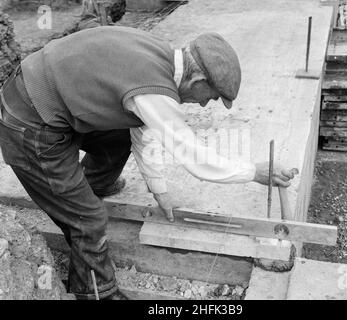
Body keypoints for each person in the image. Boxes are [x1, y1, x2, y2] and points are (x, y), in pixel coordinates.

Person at [0, 26, 297, 300]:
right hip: (30, 125)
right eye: (212, 97)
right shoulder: (155, 89)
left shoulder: (161, 57)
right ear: (198, 80)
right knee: (89, 220)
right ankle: (96, 293)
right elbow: (195, 158)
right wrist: (253, 172)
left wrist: (159, 190)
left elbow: (143, 128)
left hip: (45, 98)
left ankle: (91, 186)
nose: (207, 104)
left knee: (118, 135)